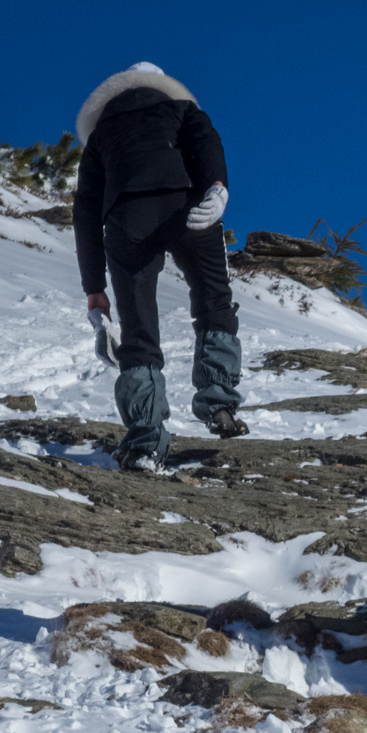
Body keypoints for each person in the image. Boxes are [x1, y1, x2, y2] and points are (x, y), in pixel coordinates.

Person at [72, 62, 248, 472]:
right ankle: (219, 403)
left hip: (125, 220)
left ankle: (146, 441)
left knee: (137, 329)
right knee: (213, 299)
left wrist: (93, 287)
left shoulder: (100, 136)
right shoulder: (182, 110)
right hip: (187, 206)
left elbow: (84, 213)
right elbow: (207, 144)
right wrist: (218, 188)